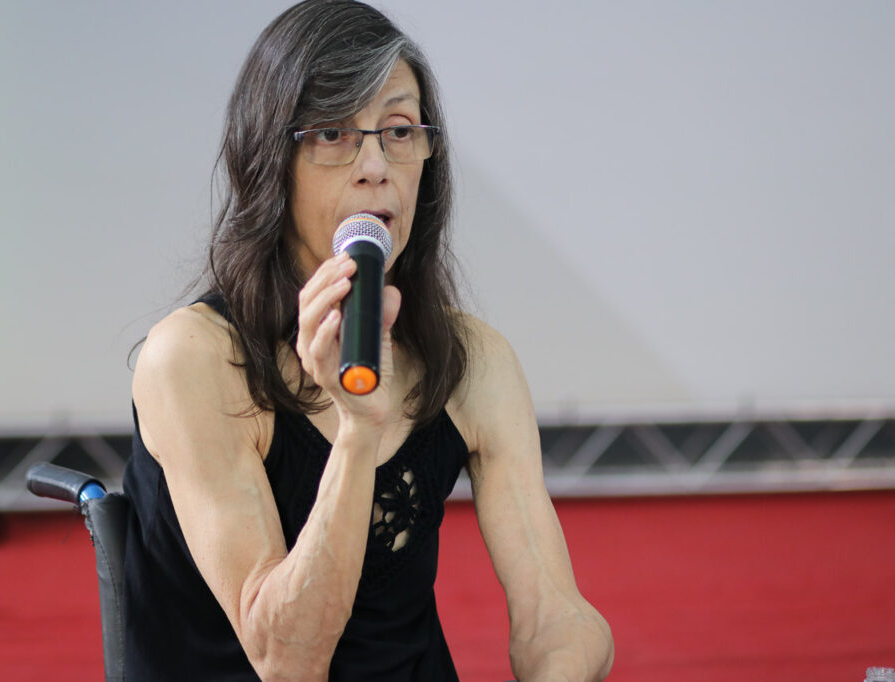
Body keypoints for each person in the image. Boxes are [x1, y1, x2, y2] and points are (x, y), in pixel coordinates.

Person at [123, 1, 614, 679]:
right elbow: (286, 659)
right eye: (333, 134)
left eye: (400, 131)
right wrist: (358, 429)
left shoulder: (475, 361)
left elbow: (557, 616)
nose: (376, 166)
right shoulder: (194, 358)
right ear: (269, 159)